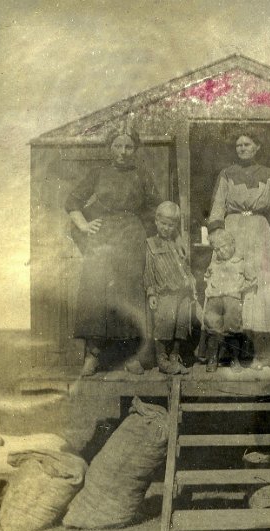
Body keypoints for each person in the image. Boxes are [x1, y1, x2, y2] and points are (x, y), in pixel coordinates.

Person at [65, 129, 162, 376]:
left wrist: (154, 239)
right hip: (102, 239)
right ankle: (93, 355)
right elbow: (72, 202)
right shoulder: (98, 172)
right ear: (110, 147)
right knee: (96, 291)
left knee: (130, 294)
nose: (123, 152)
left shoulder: (142, 174)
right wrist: (85, 226)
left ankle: (131, 356)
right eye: (118, 146)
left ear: (135, 149)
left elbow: (156, 209)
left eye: (128, 147)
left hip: (131, 238)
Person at [208, 129, 270, 369]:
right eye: (239, 145)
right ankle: (233, 351)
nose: (243, 148)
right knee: (233, 285)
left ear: (258, 146)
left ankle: (261, 352)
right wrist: (217, 235)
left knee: (260, 286)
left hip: (259, 232)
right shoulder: (226, 174)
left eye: (247, 144)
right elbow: (217, 208)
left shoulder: (268, 175)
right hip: (233, 230)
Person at [144, 201, 196, 375]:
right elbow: (148, 271)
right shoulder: (151, 244)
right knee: (165, 323)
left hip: (182, 291)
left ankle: (175, 355)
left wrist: (190, 279)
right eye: (164, 224)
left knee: (180, 324)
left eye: (171, 225)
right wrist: (151, 292)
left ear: (175, 226)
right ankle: (162, 359)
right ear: (156, 222)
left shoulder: (178, 245)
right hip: (164, 292)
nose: (166, 228)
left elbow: (185, 266)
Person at [203, 229, 257, 373]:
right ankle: (212, 359)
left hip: (232, 300)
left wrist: (240, 288)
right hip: (214, 300)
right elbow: (207, 277)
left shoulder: (240, 263)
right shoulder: (214, 264)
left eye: (224, 246)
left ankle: (234, 359)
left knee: (233, 329)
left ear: (232, 244)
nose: (221, 251)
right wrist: (210, 286)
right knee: (213, 329)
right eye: (217, 249)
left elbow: (253, 279)